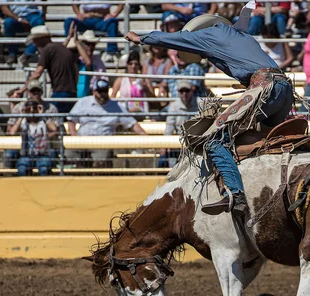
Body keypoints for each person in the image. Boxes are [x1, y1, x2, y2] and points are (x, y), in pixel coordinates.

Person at [125, 7, 295, 216]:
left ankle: (236, 193)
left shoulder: (208, 35)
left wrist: (140, 38)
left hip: (265, 88)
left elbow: (170, 39)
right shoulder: (243, 36)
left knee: (214, 138)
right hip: (285, 88)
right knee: (267, 138)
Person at [67, 80, 147, 168]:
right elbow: (71, 120)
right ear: (94, 91)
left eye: (104, 91)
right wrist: (74, 137)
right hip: (81, 140)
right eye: (100, 91)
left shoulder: (116, 107)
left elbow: (132, 123)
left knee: (101, 159)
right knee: (69, 155)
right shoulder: (83, 102)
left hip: (102, 143)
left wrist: (145, 136)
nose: (102, 94)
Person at [14, 26, 78, 114]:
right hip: (72, 92)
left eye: (35, 40)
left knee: (54, 117)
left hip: (59, 92)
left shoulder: (47, 50)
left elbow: (37, 73)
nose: (35, 43)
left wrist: (22, 90)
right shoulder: (61, 48)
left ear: (41, 39)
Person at [5, 79, 59, 168]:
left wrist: (40, 137)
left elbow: (55, 130)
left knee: (47, 161)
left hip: (45, 146)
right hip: (22, 145)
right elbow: (10, 130)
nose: (36, 93)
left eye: (38, 91)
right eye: (33, 91)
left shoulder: (51, 108)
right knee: (10, 155)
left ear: (41, 92)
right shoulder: (19, 108)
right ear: (28, 92)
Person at [8, 98, 58, 176]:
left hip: (43, 155)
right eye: (29, 108)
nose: (31, 110)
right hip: (26, 155)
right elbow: (12, 132)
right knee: (22, 169)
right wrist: (21, 116)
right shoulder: (23, 122)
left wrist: (42, 115)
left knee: (43, 169)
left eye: (34, 108)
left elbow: (54, 129)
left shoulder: (43, 121)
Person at [160, 80, 199, 166]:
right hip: (180, 143)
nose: (184, 93)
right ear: (178, 92)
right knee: (169, 159)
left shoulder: (200, 104)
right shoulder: (174, 106)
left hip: (196, 142)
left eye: (187, 91)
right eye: (182, 91)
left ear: (191, 91)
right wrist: (165, 144)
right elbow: (169, 127)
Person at [0, 0, 46, 66]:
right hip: (14, 16)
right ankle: (12, 54)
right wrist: (19, 19)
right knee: (8, 23)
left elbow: (44, 1)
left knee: (39, 23)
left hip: (32, 14)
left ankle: (27, 54)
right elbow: (4, 8)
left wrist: (43, 13)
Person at [76, 30, 106, 98]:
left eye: (92, 44)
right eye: (87, 44)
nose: (90, 47)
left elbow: (103, 78)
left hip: (94, 93)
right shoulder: (77, 58)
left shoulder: (98, 60)